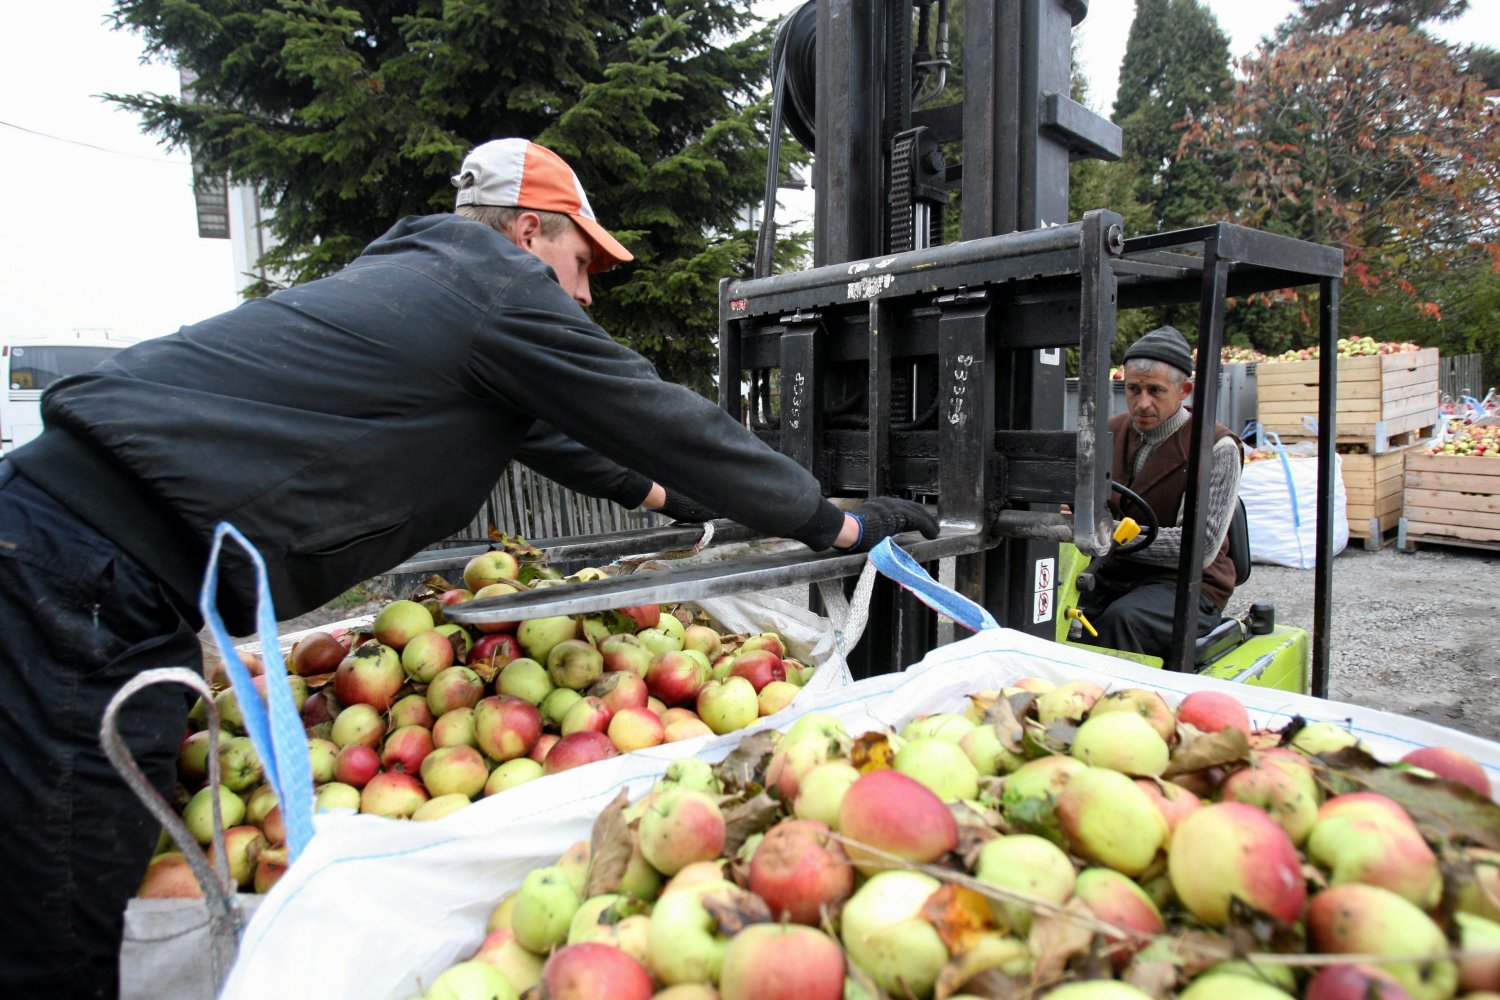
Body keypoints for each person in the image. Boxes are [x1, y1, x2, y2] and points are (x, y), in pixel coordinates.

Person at [0, 137, 937, 995]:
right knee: (67, 900)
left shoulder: (433, 298)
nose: (583, 295)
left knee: (81, 855)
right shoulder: (490, 287)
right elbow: (658, 417)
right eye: (580, 264)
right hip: (75, 572)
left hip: (86, 564)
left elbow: (585, 446)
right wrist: (834, 525)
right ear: (528, 231)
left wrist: (685, 502)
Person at [1075, 325, 1243, 660]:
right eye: (1133, 389)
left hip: (1187, 585)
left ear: (1185, 390)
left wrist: (1106, 537)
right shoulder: (1110, 431)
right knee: (1049, 608)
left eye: (1155, 390)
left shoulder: (1216, 448)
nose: (1142, 403)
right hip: (1115, 574)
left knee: (1123, 621)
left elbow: (1201, 546)